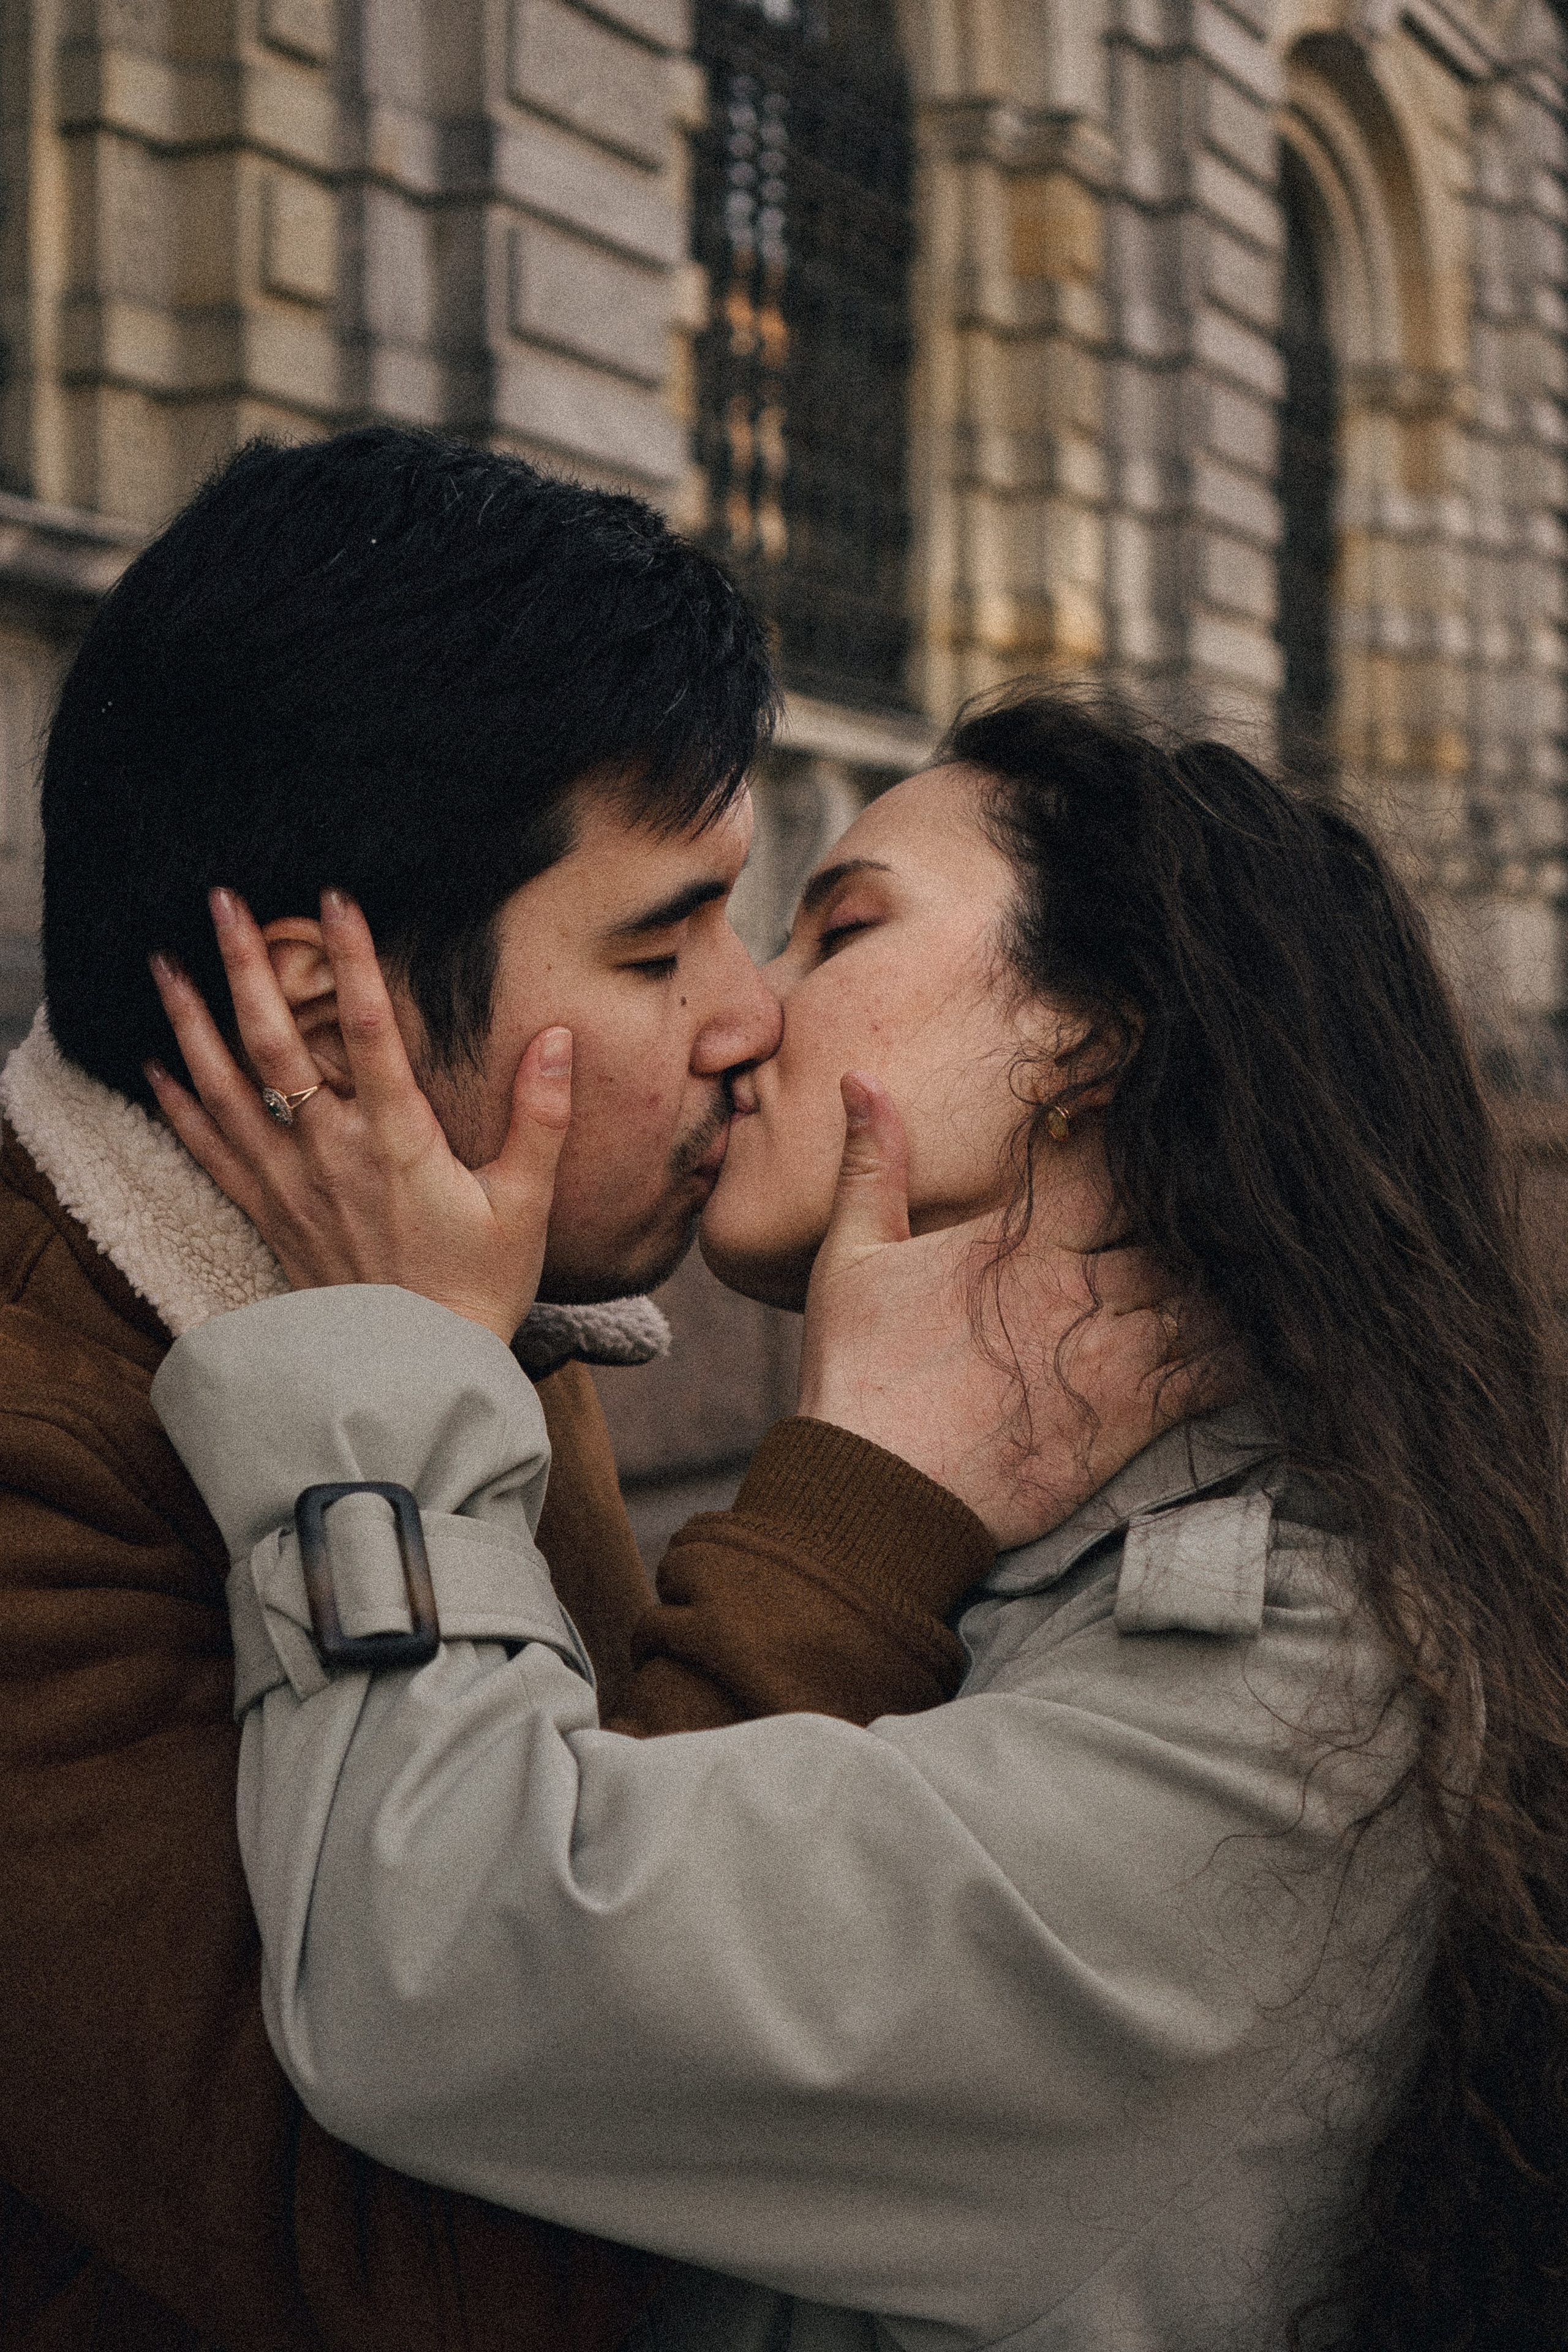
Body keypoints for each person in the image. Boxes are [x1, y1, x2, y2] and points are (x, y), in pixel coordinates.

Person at [148, 689, 1568, 2351]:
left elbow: (446, 1965)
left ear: (1092, 1038)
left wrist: (394, 1353)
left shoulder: (1283, 1710)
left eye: (841, 929)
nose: (746, 1013)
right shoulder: (1104, 1559)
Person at [0, 430, 1175, 2352]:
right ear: (330, 1024)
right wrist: (854, 1515)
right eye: (660, 945)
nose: (751, 1015)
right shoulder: (48, 1451)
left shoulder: (444, 1274)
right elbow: (492, 2262)